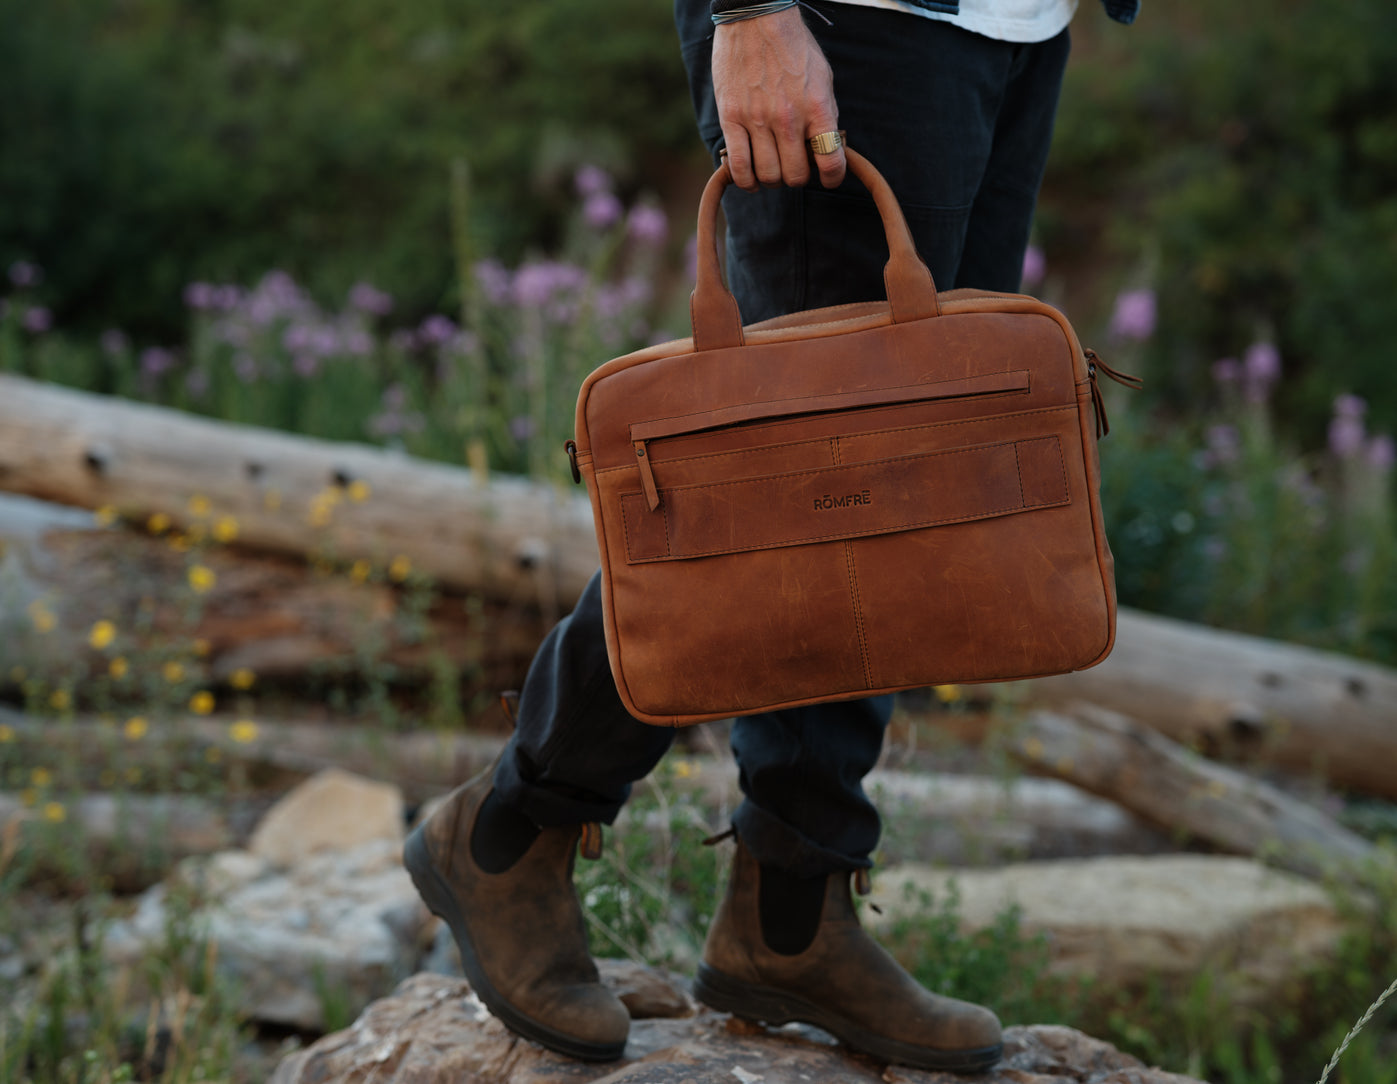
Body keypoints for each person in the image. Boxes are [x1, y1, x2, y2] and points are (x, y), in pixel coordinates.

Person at [404, 0, 1138, 1072]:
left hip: (1013, 27)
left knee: (891, 495)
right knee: (785, 500)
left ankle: (789, 912)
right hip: (853, 23)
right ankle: (511, 831)